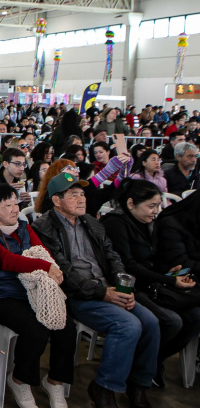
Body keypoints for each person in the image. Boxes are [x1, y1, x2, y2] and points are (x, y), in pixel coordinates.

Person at [33, 173, 160, 408]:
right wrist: (104, 293)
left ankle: (138, 385)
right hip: (77, 295)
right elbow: (64, 272)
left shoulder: (91, 222)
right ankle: (105, 388)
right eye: (73, 195)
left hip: (108, 288)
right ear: (57, 200)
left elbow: (113, 257)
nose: (81, 199)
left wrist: (123, 286)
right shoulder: (44, 227)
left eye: (82, 194)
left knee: (151, 322)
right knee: (128, 325)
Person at [0, 183, 74, 408]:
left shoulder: (24, 226)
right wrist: (43, 266)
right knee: (36, 329)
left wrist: (51, 268)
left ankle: (54, 381)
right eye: (8, 205)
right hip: (1, 294)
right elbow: (5, 260)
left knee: (65, 325)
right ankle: (20, 380)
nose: (15, 209)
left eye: (16, 203)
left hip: (32, 291)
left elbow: (43, 252)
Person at [102, 179, 200, 388]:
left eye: (158, 205)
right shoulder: (116, 223)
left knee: (195, 316)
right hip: (127, 287)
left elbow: (150, 260)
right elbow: (128, 266)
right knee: (171, 321)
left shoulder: (147, 222)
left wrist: (167, 273)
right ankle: (140, 374)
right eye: (151, 206)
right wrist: (168, 279)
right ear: (131, 204)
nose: (157, 211)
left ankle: (153, 361)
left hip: (150, 283)